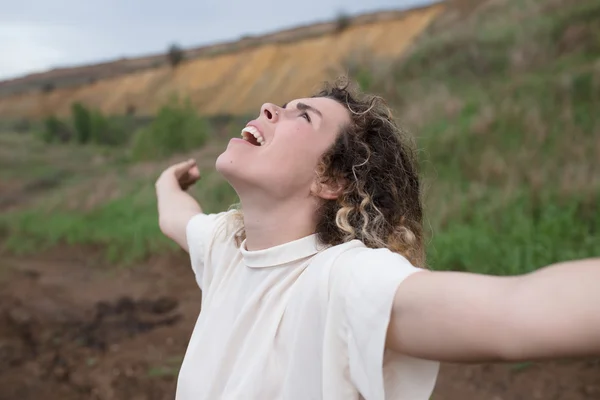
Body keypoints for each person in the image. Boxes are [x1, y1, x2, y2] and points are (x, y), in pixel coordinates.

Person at [156, 77, 599, 400]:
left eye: (302, 115)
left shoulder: (344, 280)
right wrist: (167, 182)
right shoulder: (227, 246)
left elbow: (517, 311)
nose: (270, 106)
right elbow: (177, 215)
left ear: (329, 179)